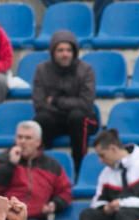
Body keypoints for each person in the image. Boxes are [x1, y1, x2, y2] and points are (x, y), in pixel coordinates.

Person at [0, 120, 73, 220]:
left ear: (38, 142)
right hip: (4, 218)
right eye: (19, 137)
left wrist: (54, 204)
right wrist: (10, 165)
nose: (22, 142)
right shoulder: (2, 159)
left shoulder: (51, 165)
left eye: (28, 138)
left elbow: (65, 191)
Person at [31, 30, 98, 175]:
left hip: (82, 119)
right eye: (60, 50)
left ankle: (80, 167)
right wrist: (65, 106)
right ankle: (42, 168)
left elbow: (86, 104)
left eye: (68, 50)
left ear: (74, 52)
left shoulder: (86, 70)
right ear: (53, 52)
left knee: (77, 117)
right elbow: (39, 104)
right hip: (55, 118)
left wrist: (55, 101)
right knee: (42, 119)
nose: (65, 54)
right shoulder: (42, 70)